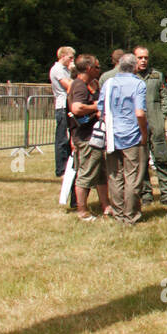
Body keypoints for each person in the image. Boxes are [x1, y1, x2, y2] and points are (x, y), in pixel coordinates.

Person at [98, 51, 148, 224]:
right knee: (133, 177)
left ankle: (119, 213)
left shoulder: (109, 83)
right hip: (132, 135)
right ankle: (131, 214)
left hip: (112, 136)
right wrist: (144, 133)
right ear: (135, 67)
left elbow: (101, 110)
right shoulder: (138, 84)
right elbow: (140, 113)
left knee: (115, 176)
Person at [67, 53, 112, 221]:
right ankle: (82, 211)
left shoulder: (86, 84)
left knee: (100, 173)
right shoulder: (79, 85)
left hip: (92, 136)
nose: (99, 70)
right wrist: (96, 106)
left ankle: (106, 206)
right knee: (86, 174)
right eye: (97, 67)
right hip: (86, 138)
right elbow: (77, 108)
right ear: (88, 68)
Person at [133, 45, 167, 208]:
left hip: (156, 125)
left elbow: (165, 98)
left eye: (145, 57)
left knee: (162, 159)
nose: (143, 60)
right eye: (140, 57)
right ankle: (145, 194)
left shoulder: (157, 75)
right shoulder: (130, 77)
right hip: (137, 126)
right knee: (141, 161)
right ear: (134, 58)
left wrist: (161, 115)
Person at [49, 46, 75, 177]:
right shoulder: (57, 69)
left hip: (68, 104)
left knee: (69, 136)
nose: (72, 60)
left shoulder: (66, 70)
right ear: (63, 56)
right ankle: (61, 169)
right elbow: (69, 85)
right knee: (62, 138)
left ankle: (69, 166)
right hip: (62, 106)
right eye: (70, 57)